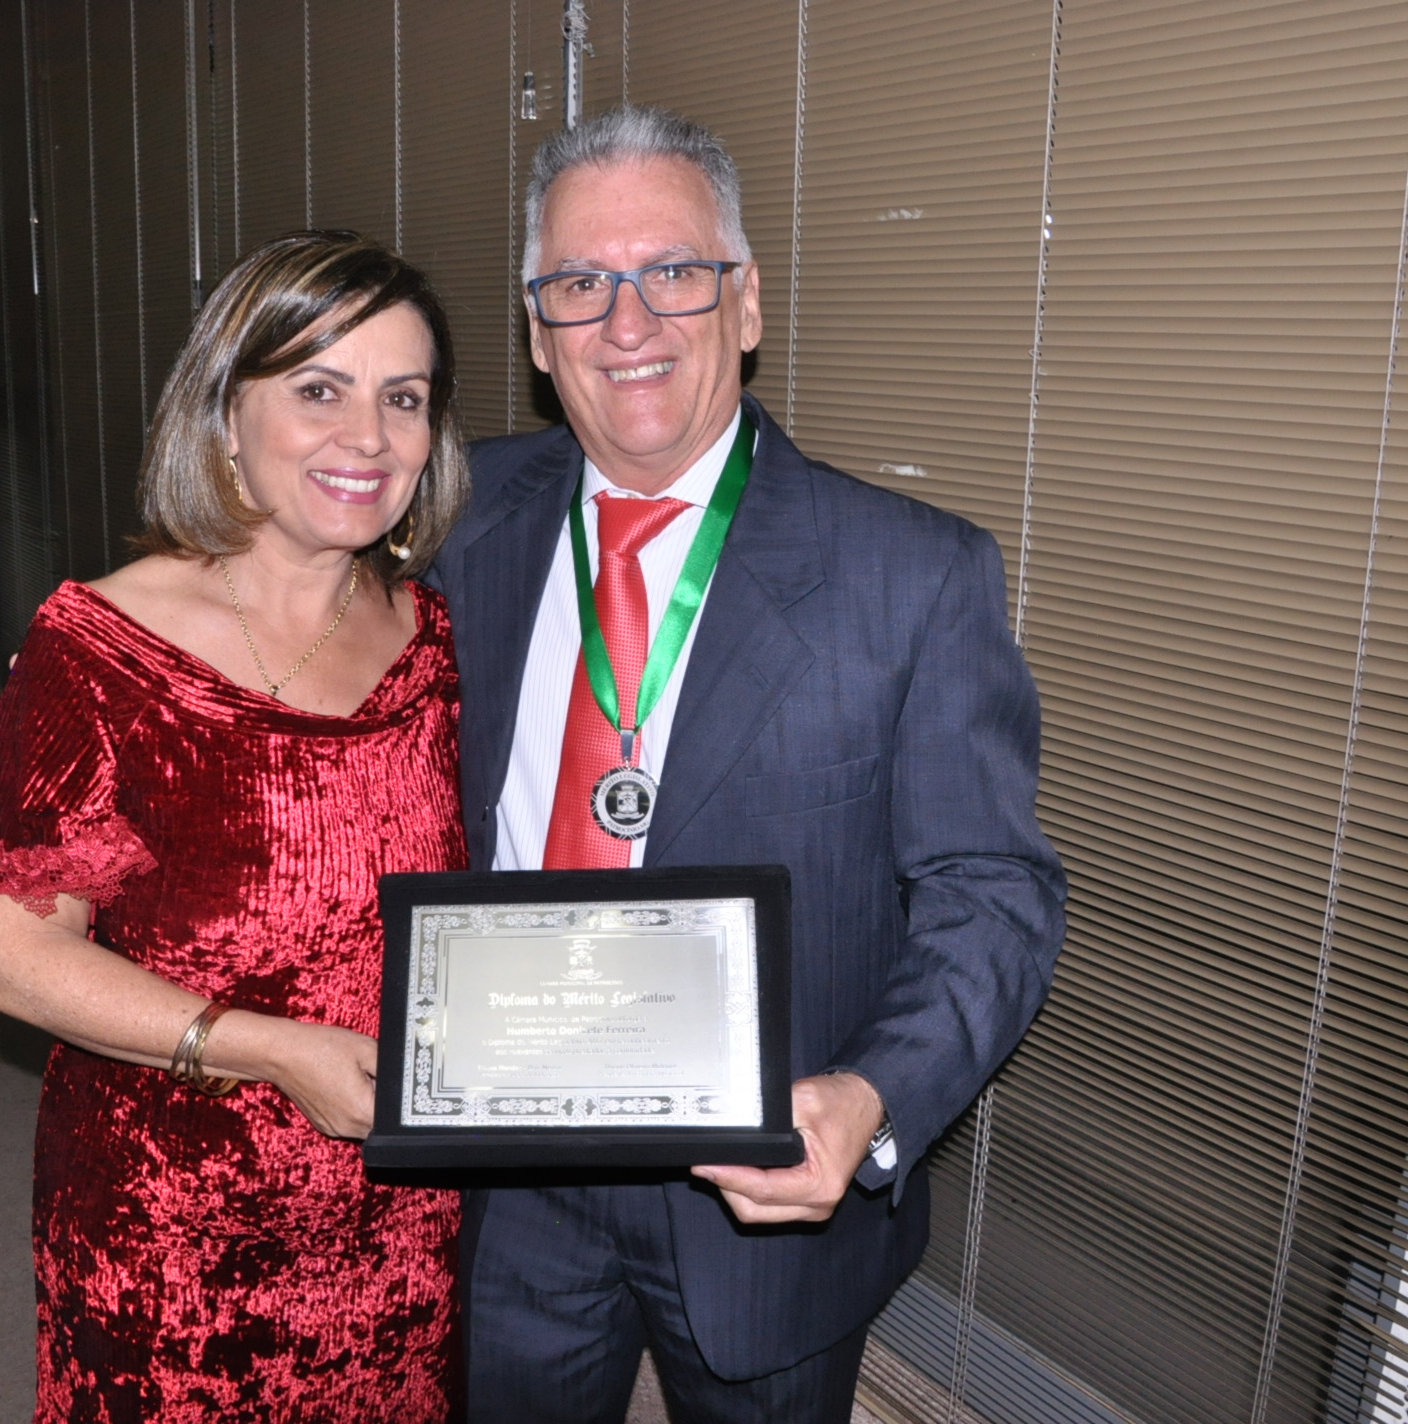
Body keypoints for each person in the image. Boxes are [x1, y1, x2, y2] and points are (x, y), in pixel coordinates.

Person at [437, 106, 1068, 1422]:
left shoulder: (911, 576)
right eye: (578, 283)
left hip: (760, 1190)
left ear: (746, 301)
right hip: (506, 1164)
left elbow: (992, 895)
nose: (627, 322)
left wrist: (870, 1100)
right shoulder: (453, 516)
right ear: (538, 331)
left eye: (673, 270)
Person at [0, 232, 472, 1422]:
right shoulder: (100, 648)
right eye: (318, 389)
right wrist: (269, 1047)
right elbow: (7, 954)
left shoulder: (429, 639)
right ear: (227, 415)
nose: (368, 437)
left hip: (399, 1220)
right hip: (169, 1233)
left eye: (403, 398)